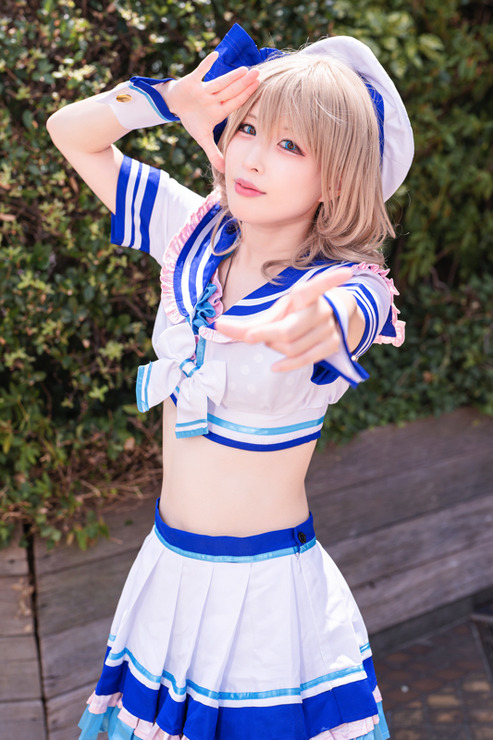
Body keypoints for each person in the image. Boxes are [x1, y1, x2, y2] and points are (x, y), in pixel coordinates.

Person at [47, 23, 413, 740]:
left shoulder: (346, 284)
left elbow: (355, 307)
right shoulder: (191, 232)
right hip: (168, 574)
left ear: (337, 179)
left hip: (265, 599)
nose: (252, 156)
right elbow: (71, 133)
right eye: (248, 129)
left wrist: (327, 320)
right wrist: (165, 99)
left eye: (289, 145)